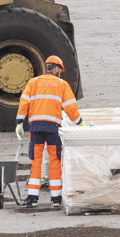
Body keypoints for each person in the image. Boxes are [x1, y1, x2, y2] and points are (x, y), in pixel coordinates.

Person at [15, 55, 81, 208]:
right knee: (54, 161)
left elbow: (24, 103)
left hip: (36, 128)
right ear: (56, 68)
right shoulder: (61, 84)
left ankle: (32, 198)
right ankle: (56, 199)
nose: (60, 73)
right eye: (60, 70)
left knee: (36, 161)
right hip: (53, 128)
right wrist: (80, 123)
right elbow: (70, 108)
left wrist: (19, 122)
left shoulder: (33, 82)